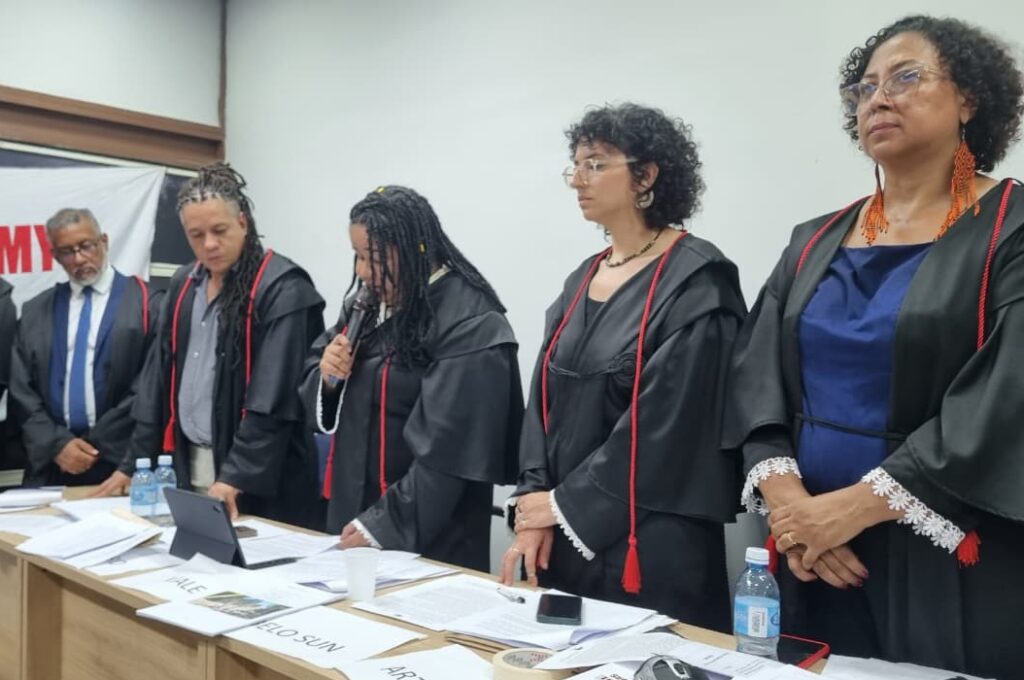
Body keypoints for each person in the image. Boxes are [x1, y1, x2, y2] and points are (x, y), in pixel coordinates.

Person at [722, 16, 1024, 679]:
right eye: (864, 88)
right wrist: (791, 511)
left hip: (948, 546)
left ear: (969, 99)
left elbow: (1007, 400)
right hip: (808, 553)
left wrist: (849, 511)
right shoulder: (812, 238)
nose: (878, 99)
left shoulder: (1012, 230)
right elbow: (756, 382)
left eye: (906, 78)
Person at [501, 104, 746, 630]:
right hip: (563, 537)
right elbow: (540, 402)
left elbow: (668, 427)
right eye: (575, 165)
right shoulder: (580, 279)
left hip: (652, 541)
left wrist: (562, 505)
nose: (578, 181)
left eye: (595, 163)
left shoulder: (698, 281)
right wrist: (533, 506)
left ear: (646, 175)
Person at [301, 185, 522, 571]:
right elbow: (322, 380)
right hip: (355, 520)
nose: (362, 272)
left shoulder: (470, 321)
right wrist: (330, 377)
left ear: (415, 248)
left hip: (430, 531)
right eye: (357, 256)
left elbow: (449, 451)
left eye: (373, 258)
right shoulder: (364, 305)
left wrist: (382, 527)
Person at [93, 164, 325, 528]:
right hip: (191, 467)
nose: (209, 245)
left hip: (261, 479)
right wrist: (132, 463)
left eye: (219, 231)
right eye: (196, 235)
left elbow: (273, 400)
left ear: (243, 223)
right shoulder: (184, 285)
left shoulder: (283, 289)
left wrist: (236, 475)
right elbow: (158, 381)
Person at [9, 209, 158, 486]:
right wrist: (57, 445)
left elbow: (149, 386)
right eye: (67, 251)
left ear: (103, 241)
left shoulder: (148, 304)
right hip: (53, 465)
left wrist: (96, 444)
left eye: (86, 246)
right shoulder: (35, 312)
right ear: (55, 256)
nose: (79, 259)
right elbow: (21, 391)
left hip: (121, 465)